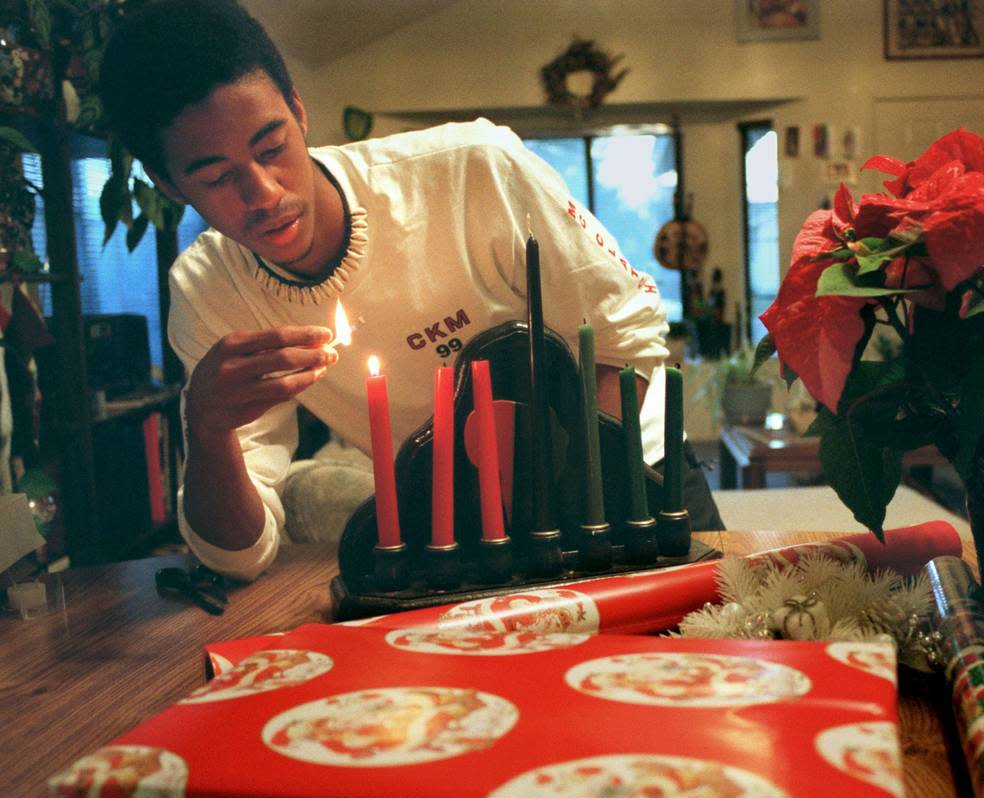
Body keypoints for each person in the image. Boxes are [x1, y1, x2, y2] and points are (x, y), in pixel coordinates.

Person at [99, 0, 722, 581]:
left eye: (272, 147)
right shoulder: (211, 290)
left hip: (635, 472)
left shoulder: (472, 169)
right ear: (168, 183)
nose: (263, 193)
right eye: (216, 177)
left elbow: (624, 335)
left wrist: (559, 493)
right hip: (457, 522)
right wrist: (205, 431)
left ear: (298, 108)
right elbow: (239, 556)